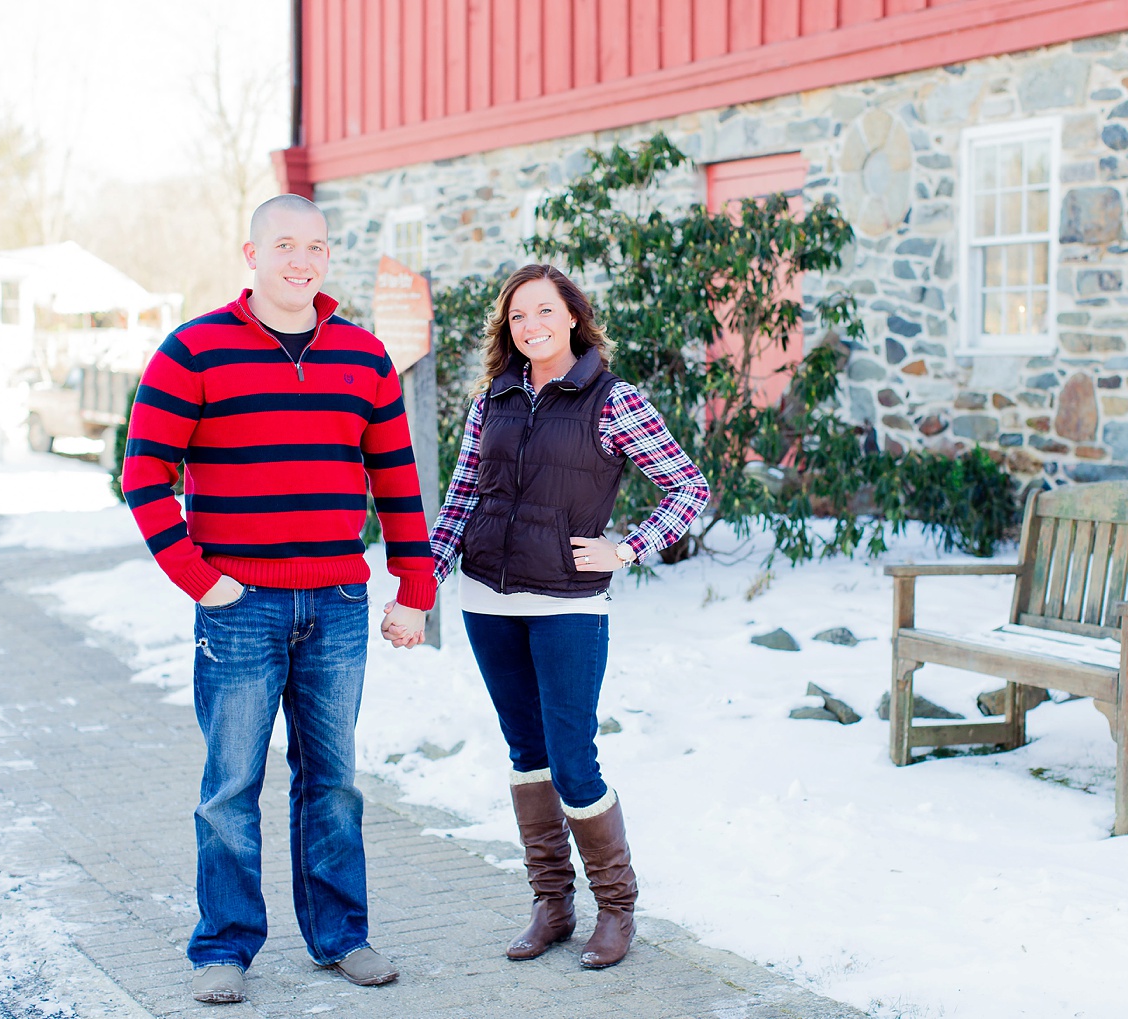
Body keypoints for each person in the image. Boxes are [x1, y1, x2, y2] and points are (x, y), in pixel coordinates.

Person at [122, 194, 434, 1005]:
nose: (303, 259)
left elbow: (398, 485)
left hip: (336, 603)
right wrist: (202, 577)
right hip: (239, 605)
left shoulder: (364, 359)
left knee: (332, 780)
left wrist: (416, 586)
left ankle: (342, 936)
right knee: (230, 785)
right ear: (251, 253)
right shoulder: (193, 350)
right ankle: (224, 945)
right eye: (286, 244)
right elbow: (144, 476)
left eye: (317, 246)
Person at [410, 263, 709, 969]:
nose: (532, 325)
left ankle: (617, 907)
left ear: (572, 315)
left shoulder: (614, 401)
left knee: (574, 759)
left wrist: (629, 546)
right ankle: (552, 904)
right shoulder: (494, 397)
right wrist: (423, 582)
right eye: (518, 316)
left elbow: (687, 488)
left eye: (544, 311)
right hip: (488, 600)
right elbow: (459, 500)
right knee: (527, 754)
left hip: (567, 605)